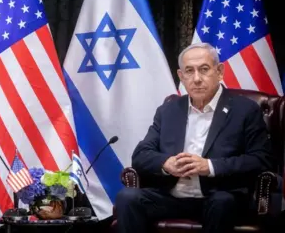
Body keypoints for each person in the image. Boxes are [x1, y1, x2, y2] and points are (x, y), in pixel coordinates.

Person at [115, 42, 274, 233]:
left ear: (220, 71)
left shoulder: (245, 110)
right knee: (127, 198)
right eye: (189, 71)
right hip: (172, 196)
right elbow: (141, 155)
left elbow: (261, 159)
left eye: (204, 69)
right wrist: (166, 164)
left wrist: (210, 167)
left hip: (219, 196)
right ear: (181, 76)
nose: (196, 78)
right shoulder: (168, 111)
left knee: (222, 202)